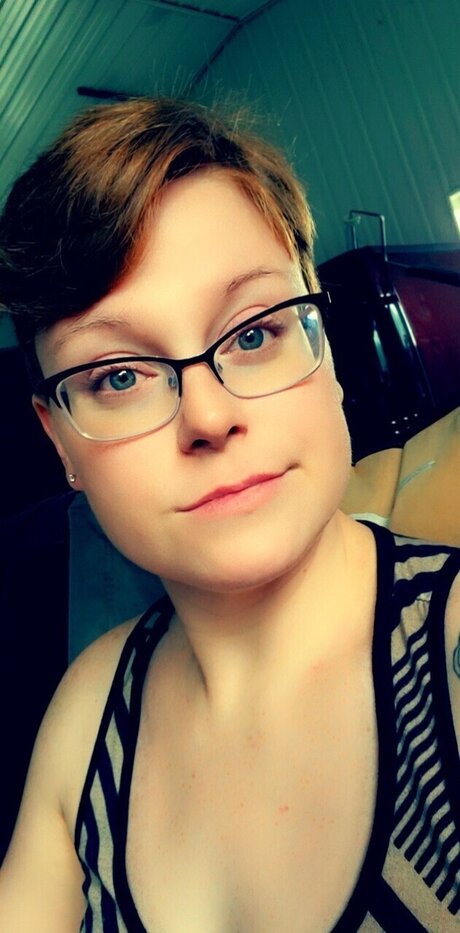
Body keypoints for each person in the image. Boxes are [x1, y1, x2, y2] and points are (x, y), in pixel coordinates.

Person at [0, 97, 459, 932]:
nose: (208, 416)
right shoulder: (86, 718)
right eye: (118, 376)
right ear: (58, 438)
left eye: (253, 333)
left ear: (325, 346)